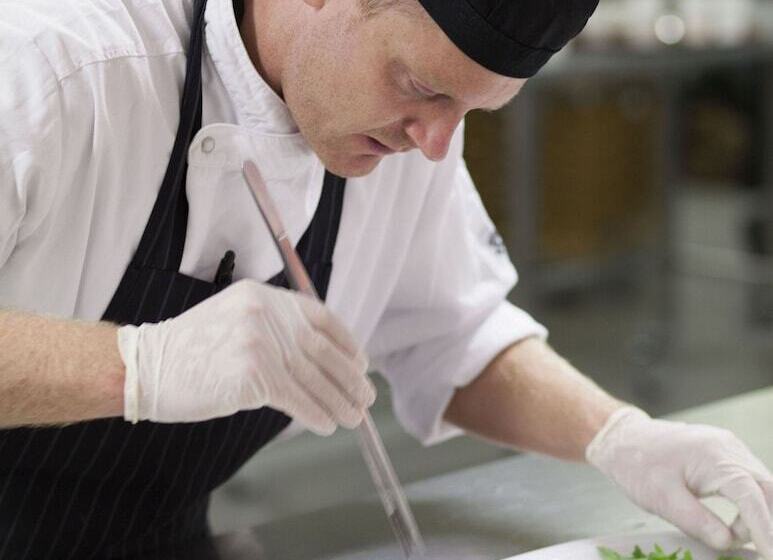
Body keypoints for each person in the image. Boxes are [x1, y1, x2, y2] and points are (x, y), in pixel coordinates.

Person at [0, 0, 771, 558]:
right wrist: (141, 366)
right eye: (422, 86)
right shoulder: (50, 66)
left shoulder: (410, 135)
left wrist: (617, 436)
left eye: (471, 111)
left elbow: (454, 337)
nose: (434, 144)